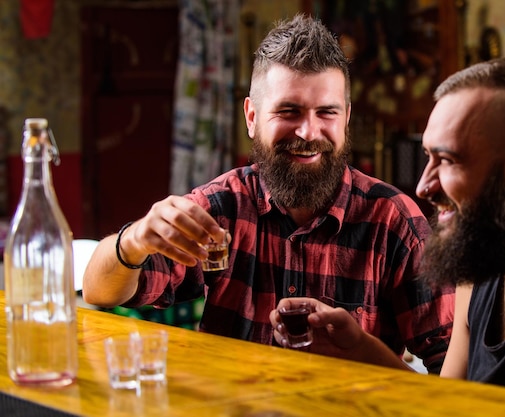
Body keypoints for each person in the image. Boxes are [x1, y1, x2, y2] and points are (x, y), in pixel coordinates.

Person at [82, 14, 455, 374]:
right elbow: (101, 291)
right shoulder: (220, 207)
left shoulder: (393, 221)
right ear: (252, 117)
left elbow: (454, 382)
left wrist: (362, 350)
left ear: (346, 117)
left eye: (327, 112)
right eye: (289, 111)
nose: (309, 132)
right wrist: (133, 240)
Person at [270, 56, 505, 409]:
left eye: (448, 160)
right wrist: (361, 350)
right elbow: (448, 409)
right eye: (427, 157)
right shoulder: (488, 254)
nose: (423, 186)